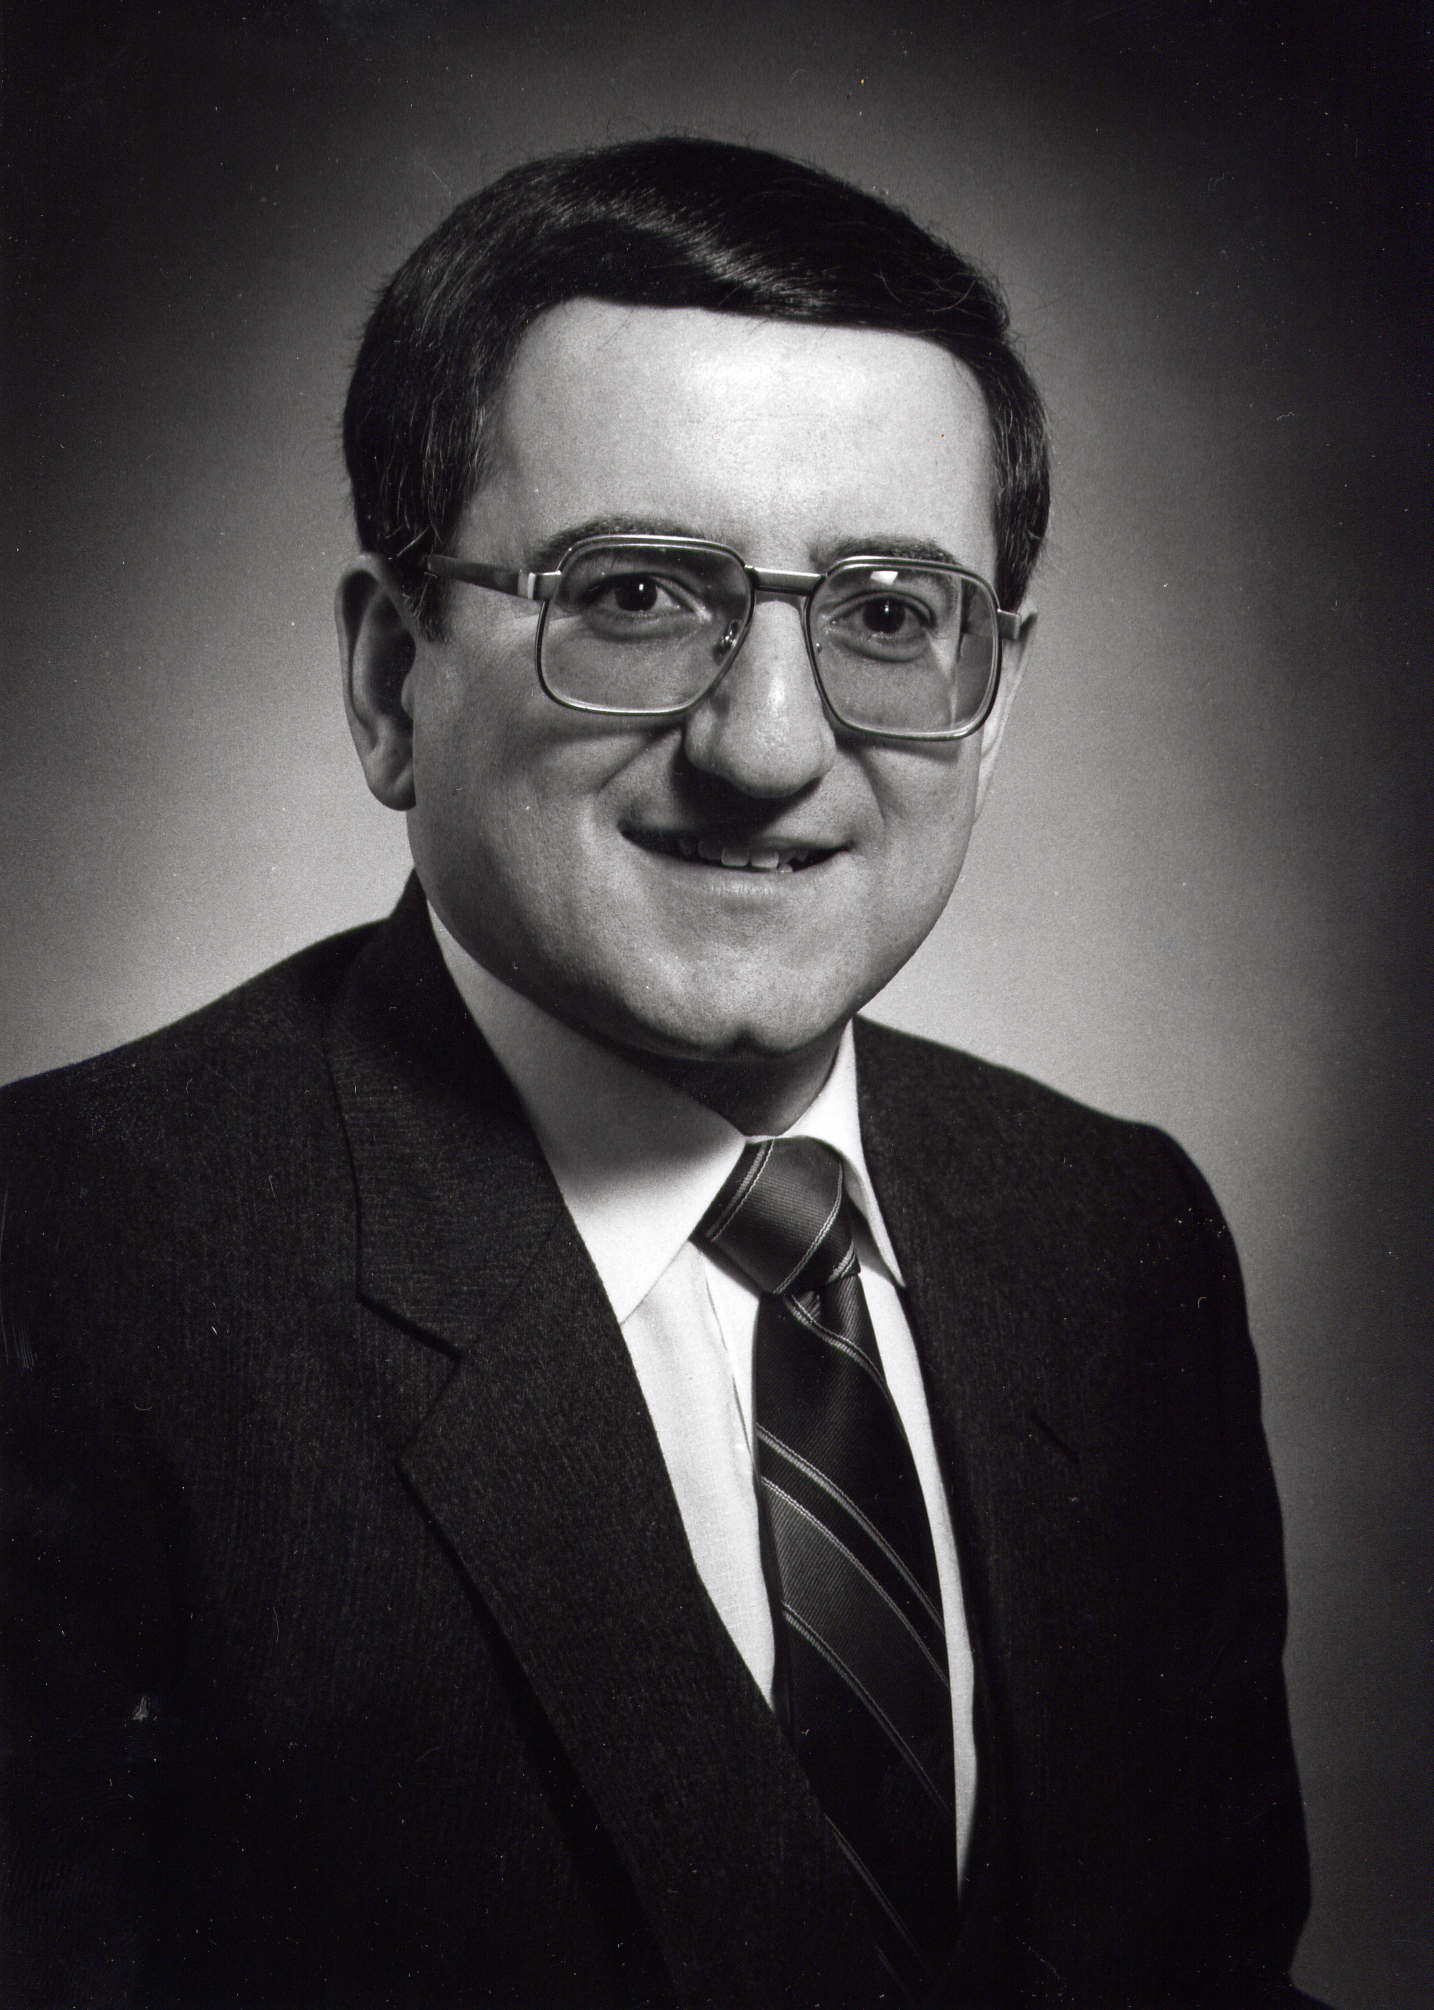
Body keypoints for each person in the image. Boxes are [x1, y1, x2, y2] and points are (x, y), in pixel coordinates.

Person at [1, 137, 1321, 2009]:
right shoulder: (59, 1262)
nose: (768, 745)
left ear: (991, 697)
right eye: (633, 595)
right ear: (390, 681)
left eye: (884, 613)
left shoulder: (1113, 1228)